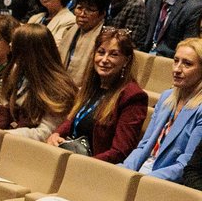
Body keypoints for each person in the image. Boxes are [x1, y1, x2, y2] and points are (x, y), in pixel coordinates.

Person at [49, 26, 146, 162]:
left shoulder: (132, 97)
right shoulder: (92, 85)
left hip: (96, 168)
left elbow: (120, 152)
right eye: (101, 52)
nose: (104, 59)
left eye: (113, 54)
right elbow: (73, 119)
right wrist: (57, 134)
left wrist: (84, 164)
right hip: (72, 159)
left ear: (126, 60)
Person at [122, 38, 202, 181]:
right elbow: (144, 146)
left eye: (187, 64)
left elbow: (185, 165)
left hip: (165, 182)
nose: (177, 69)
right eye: (176, 61)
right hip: (141, 172)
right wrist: (124, 172)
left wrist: (141, 180)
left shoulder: (200, 110)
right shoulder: (166, 97)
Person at [0, 23, 77, 141]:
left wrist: (4, 135)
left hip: (33, 150)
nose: (10, 46)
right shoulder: (17, 73)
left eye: (15, 44)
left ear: (27, 52)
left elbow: (45, 132)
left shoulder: (59, 88)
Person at [62, 0, 112, 81]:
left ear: (102, 14)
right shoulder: (69, 30)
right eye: (79, 8)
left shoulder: (107, 39)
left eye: (90, 10)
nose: (82, 14)